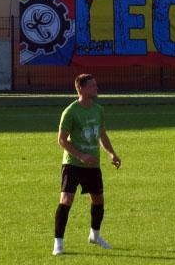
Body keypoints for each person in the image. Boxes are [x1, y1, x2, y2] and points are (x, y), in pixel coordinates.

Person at [53, 74, 122, 256]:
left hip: (92, 165)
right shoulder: (70, 111)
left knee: (98, 199)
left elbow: (102, 135)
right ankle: (58, 244)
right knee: (66, 199)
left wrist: (112, 154)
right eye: (92, 86)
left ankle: (95, 235)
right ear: (81, 89)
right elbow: (61, 140)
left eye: (95, 85)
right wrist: (81, 155)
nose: (96, 88)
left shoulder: (98, 110)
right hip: (73, 164)